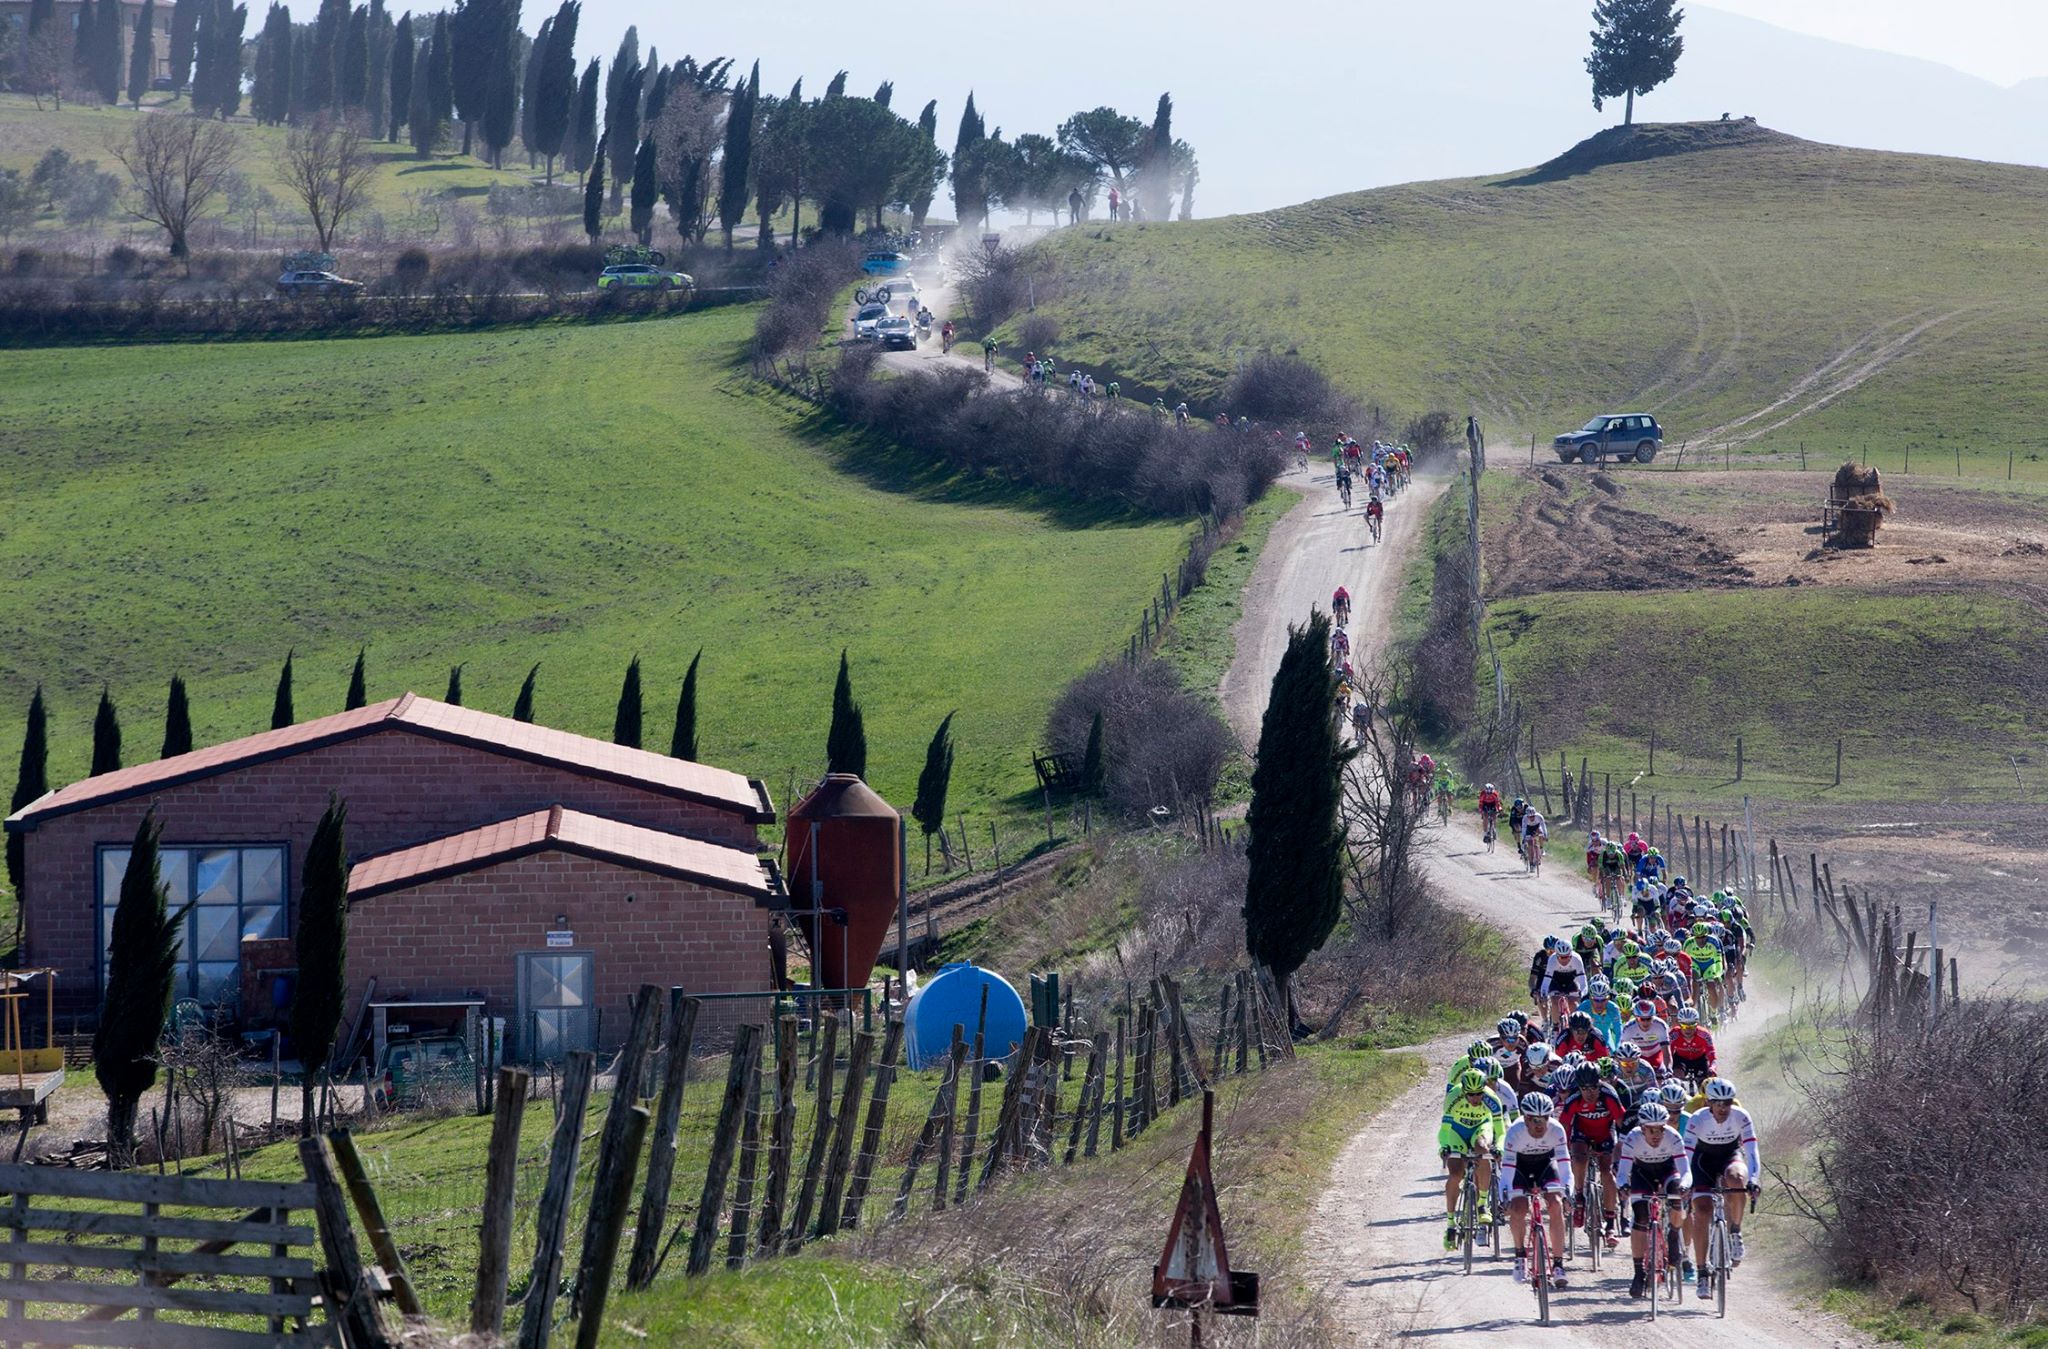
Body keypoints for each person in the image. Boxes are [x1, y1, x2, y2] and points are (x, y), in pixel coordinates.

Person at [1683, 1078, 1760, 1294]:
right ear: (1709, 1104)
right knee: (1702, 1211)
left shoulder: (1741, 1116)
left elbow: (1752, 1150)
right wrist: (1686, 1182)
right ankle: (1701, 1273)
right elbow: (1686, 1154)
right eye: (1718, 1104)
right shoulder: (1697, 1119)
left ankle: (1735, 1231)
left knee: (1737, 1180)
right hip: (1702, 1161)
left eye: (1727, 1103)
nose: (1723, 1108)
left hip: (1729, 1155)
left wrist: (1754, 1178)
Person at [1617, 1102, 1691, 1298]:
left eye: (1660, 1129)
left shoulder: (1673, 1137)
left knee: (1676, 1193)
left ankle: (1673, 1236)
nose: (1657, 1134)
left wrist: (1684, 1185)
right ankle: (1638, 1272)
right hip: (1643, 1173)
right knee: (1640, 1216)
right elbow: (1623, 1171)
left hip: (1668, 1171)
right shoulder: (1632, 1138)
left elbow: (1685, 1171)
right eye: (1652, 1130)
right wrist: (1623, 1185)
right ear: (1642, 1128)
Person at [1500, 1093, 1573, 1288]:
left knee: (1556, 1204)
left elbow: (1565, 1165)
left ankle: (1558, 1264)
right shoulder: (1515, 1131)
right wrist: (1504, 1197)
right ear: (1525, 1118)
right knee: (1518, 1208)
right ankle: (1520, 1255)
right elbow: (1506, 1170)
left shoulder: (1557, 1130)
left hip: (1545, 1166)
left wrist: (1568, 1193)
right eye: (1534, 1120)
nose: (1540, 1124)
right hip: (1519, 1168)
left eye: (1545, 1118)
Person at [1559, 1065, 1627, 1242]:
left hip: (1605, 1134)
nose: (1589, 1093)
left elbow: (1621, 1123)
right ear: (1579, 1087)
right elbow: (1564, 1127)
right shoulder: (1573, 1099)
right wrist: (1564, 1151)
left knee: (1607, 1172)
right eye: (1584, 1089)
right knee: (1579, 1159)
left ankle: (1611, 1225)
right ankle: (1579, 1196)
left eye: (1594, 1088)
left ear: (1600, 1084)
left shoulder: (1609, 1095)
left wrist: (1623, 1149)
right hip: (1581, 1134)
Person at [1440, 1068, 1504, 1251]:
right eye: (1471, 1095)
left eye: (1479, 1094)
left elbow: (1500, 1130)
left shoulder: (1492, 1099)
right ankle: (1451, 1223)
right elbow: (1444, 1129)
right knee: (1455, 1174)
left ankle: (1482, 1204)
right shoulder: (1454, 1096)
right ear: (1464, 1091)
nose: (1475, 1098)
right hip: (1457, 1132)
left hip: (1480, 1128)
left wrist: (1499, 1147)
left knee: (1483, 1150)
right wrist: (1444, 1146)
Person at [1619, 998, 1672, 1072]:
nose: (1645, 1022)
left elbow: (1666, 1053)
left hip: (1656, 1055)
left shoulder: (1661, 1025)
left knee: (1661, 1073)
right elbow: (1622, 1053)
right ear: (1636, 1018)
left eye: (1649, 1019)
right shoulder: (1628, 1028)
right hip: (1637, 1057)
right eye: (1642, 1019)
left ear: (1653, 1017)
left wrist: (1669, 1069)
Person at [1669, 1006, 1716, 1087]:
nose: (1688, 1030)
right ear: (1679, 1024)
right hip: (1681, 1060)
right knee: (1676, 1080)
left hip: (1700, 1060)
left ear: (1697, 1024)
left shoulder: (1704, 1034)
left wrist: (1712, 1068)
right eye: (1684, 1026)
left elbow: (1712, 1053)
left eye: (1691, 1026)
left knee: (1704, 1085)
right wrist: (1668, 1069)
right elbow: (1668, 1053)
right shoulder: (1673, 1034)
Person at [1521, 806, 1549, 872]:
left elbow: (1543, 826)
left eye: (1533, 816)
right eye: (1530, 817)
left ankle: (1541, 849)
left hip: (1537, 827)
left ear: (1535, 814)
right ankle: (1531, 864)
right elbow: (1524, 828)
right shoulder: (1524, 818)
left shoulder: (1539, 817)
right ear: (1527, 816)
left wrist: (1546, 835)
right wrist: (1524, 837)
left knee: (1541, 835)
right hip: (1528, 828)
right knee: (1530, 844)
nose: (1532, 818)